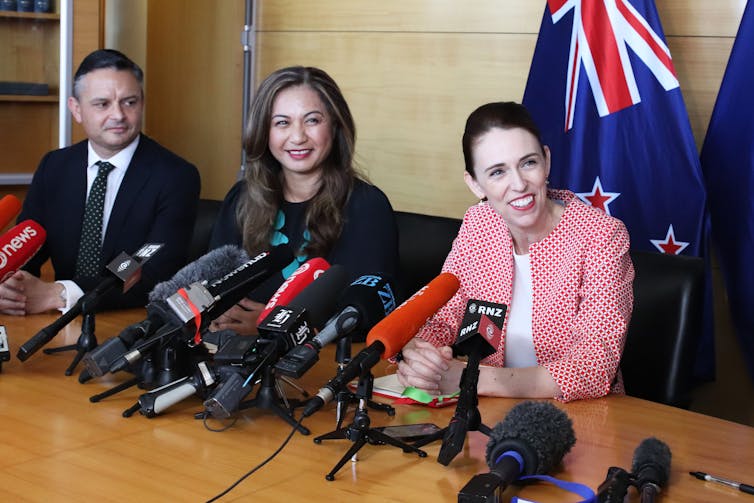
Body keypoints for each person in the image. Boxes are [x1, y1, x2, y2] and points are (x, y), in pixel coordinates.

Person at [396, 102, 634, 402]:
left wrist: (470, 378)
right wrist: (420, 358)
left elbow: (593, 367)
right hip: (486, 410)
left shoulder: (600, 236)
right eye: (497, 172)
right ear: (474, 183)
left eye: (528, 163)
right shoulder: (479, 225)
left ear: (546, 161)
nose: (519, 184)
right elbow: (445, 318)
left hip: (579, 417)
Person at [0, 49, 200, 315]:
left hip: (126, 322)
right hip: (54, 323)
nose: (118, 115)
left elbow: (144, 267)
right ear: (76, 109)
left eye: (129, 102)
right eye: (102, 104)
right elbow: (28, 251)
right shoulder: (55, 167)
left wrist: (60, 293)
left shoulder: (174, 176)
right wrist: (12, 288)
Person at [209, 66, 398, 336]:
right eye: (282, 122)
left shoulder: (367, 206)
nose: (297, 137)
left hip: (319, 366)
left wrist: (271, 327)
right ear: (264, 132)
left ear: (334, 126)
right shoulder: (240, 199)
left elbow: (363, 316)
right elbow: (213, 288)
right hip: (233, 357)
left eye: (312, 120)